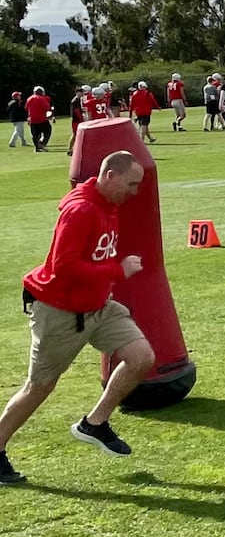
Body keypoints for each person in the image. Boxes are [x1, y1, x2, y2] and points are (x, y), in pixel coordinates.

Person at [0, 151, 155, 485]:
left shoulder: (107, 203)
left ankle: (94, 423)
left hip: (98, 307)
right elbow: (62, 267)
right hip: (60, 312)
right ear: (109, 175)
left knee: (141, 357)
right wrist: (118, 269)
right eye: (131, 184)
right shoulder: (81, 210)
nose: (135, 192)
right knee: (38, 387)